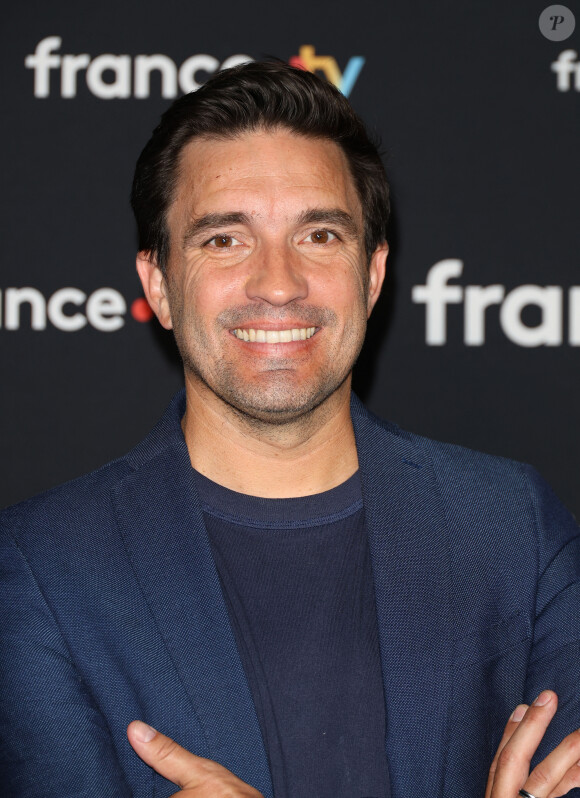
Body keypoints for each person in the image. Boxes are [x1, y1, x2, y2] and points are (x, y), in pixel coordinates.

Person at [1, 61, 579, 798]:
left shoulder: (513, 528)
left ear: (372, 277)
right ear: (158, 286)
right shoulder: (38, 571)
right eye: (224, 241)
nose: (278, 283)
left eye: (319, 235)